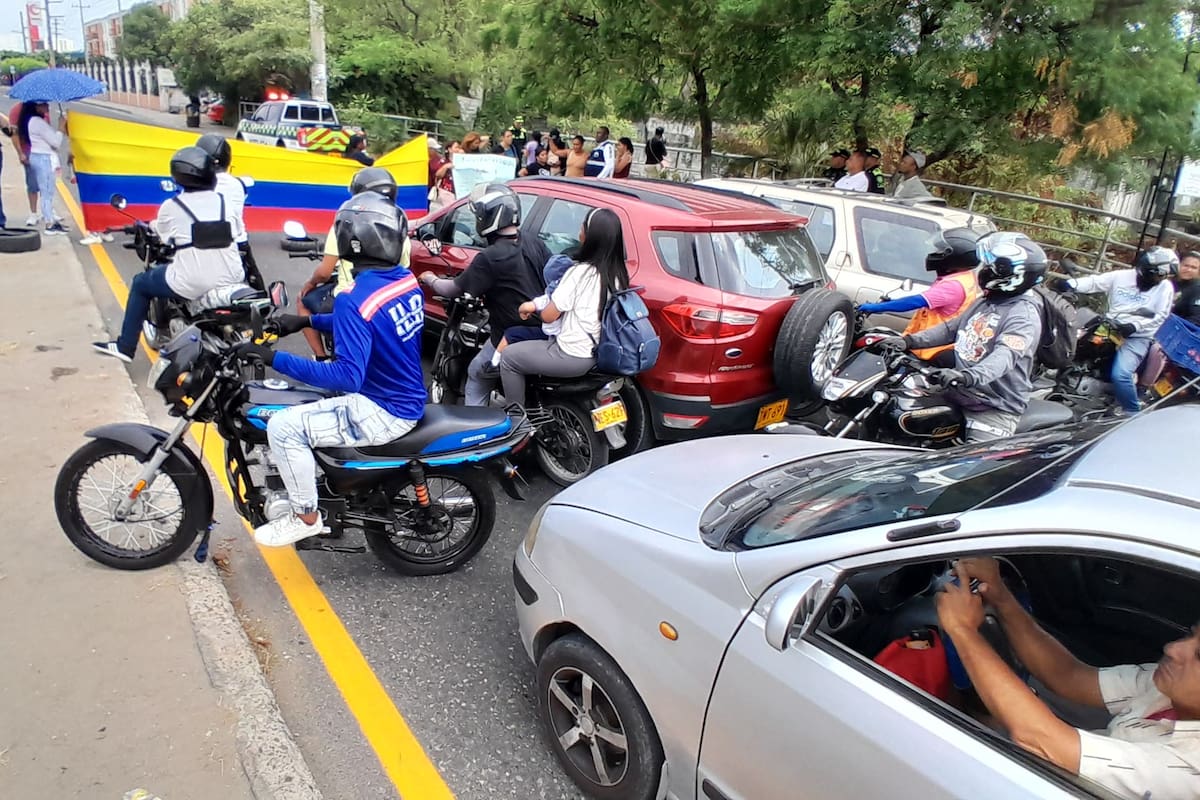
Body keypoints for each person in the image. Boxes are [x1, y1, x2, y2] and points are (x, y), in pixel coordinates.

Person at [233, 189, 426, 547]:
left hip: (382, 409)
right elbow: (369, 324)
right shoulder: (403, 281)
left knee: (283, 427)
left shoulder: (354, 297)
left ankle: (305, 517)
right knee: (307, 402)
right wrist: (304, 322)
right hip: (404, 397)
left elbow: (346, 376)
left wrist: (274, 359)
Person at [937, 556, 1200, 800]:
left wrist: (962, 630)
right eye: (1190, 635)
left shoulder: (1188, 773)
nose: (1173, 649)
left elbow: (1039, 739)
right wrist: (1000, 595)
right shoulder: (1167, 689)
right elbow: (1070, 677)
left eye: (1199, 655)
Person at [873, 232, 1047, 442]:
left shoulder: (1023, 316)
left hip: (992, 406)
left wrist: (967, 376)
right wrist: (908, 342)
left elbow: (1004, 357)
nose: (984, 270)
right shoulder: (988, 300)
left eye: (992, 267)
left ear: (1014, 275)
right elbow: (951, 329)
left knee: (971, 462)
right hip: (958, 392)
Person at [92, 146, 245, 362]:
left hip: (194, 281)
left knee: (141, 284)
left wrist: (150, 227)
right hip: (233, 276)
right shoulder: (224, 201)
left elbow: (161, 233)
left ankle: (125, 347)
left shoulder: (172, 206)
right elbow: (236, 231)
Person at [418, 183, 552, 405]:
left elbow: (453, 289)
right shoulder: (533, 241)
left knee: (476, 374)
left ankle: (478, 424)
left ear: (489, 218)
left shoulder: (490, 257)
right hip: (545, 330)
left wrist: (430, 278)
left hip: (512, 334)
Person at [499, 208, 630, 406]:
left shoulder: (579, 273)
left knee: (510, 358)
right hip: (601, 353)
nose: (579, 231)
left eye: (583, 226)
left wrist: (534, 308)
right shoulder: (619, 274)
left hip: (572, 355)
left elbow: (549, 316)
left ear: (589, 236)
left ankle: (516, 418)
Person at [1050, 247, 1177, 414]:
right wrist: (1071, 284)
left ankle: (1131, 411)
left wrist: (1135, 326)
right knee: (1072, 350)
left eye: (1163, 275)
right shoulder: (1122, 276)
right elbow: (1095, 282)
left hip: (1137, 336)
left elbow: (1161, 316)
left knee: (1121, 374)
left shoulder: (1165, 287)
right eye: (1158, 274)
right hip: (1110, 327)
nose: (1159, 279)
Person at [297, 167, 398, 359]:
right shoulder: (397, 225)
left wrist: (310, 283)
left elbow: (325, 273)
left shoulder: (346, 222)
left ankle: (321, 358)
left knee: (303, 301)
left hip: (348, 300)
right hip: (388, 302)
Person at [858, 227, 981, 367]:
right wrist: (889, 303)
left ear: (955, 257)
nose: (935, 253)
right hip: (931, 345)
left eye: (940, 251)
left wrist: (877, 307)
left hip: (929, 350)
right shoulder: (964, 277)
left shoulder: (953, 286)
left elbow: (915, 302)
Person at [195, 133, 264, 290]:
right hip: (239, 244)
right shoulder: (237, 184)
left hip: (203, 245)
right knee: (258, 291)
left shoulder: (196, 185)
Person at [491, 254, 574, 363]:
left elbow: (527, 306)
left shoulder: (553, 298)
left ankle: (493, 365)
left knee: (511, 334)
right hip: (573, 340)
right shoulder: (577, 294)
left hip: (554, 338)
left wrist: (523, 311)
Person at [24, 101, 68, 235]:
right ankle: (49, 224)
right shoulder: (39, 123)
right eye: (43, 104)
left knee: (46, 191)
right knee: (47, 192)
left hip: (37, 156)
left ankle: (50, 220)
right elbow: (56, 142)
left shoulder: (32, 121)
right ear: (36, 107)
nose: (47, 106)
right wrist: (61, 127)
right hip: (44, 159)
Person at [427, 138, 455, 212]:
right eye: (433, 149)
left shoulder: (438, 160)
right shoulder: (426, 160)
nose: (435, 151)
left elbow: (437, 174)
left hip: (435, 188)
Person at [1173, 251, 1200, 325]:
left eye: (1193, 267)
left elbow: (1196, 319)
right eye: (1186, 265)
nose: (1188, 270)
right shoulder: (1169, 283)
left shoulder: (1197, 289)